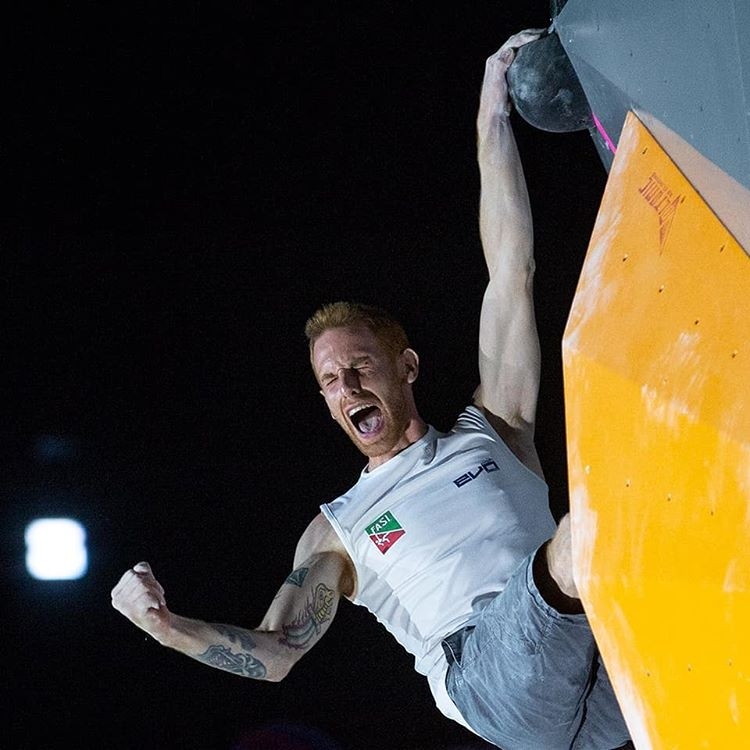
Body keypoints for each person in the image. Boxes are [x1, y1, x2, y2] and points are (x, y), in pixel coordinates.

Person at [111, 30, 633, 750]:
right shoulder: (341, 527)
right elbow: (275, 653)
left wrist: (490, 118)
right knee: (590, 534)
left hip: (589, 674)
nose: (345, 386)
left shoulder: (497, 427)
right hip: (488, 673)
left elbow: (511, 269)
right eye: (329, 381)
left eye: (358, 367)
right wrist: (164, 627)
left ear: (406, 368)